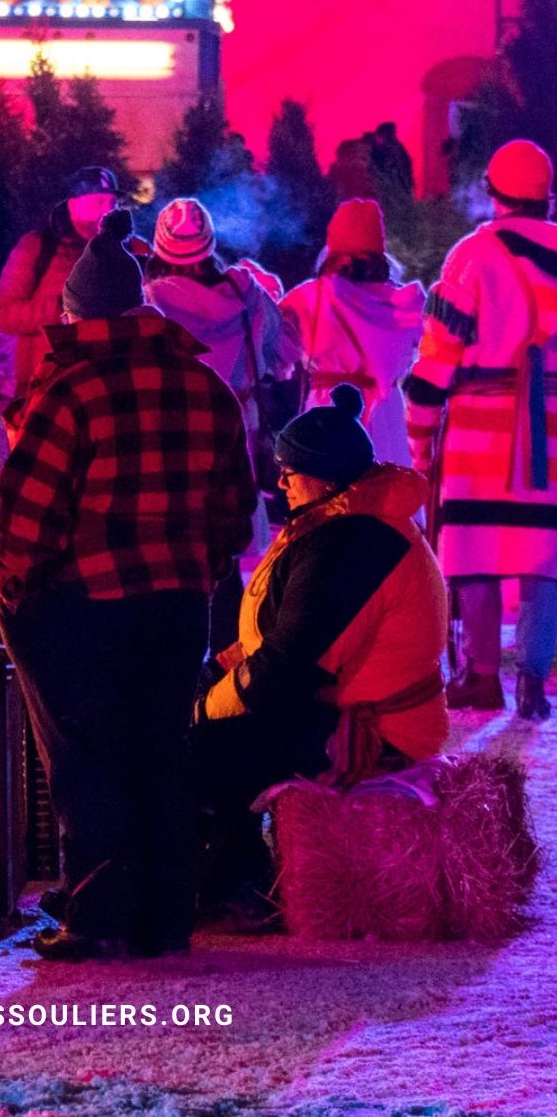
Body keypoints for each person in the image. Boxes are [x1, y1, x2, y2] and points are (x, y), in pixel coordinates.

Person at [0, 207, 257, 960]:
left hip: (82, 607)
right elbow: (234, 508)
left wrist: (15, 585)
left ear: (74, 312)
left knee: (88, 757)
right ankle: (167, 916)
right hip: (177, 605)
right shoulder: (205, 388)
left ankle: (100, 915)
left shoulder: (69, 389)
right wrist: (199, 573)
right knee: (163, 751)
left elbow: (29, 511)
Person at [194, 384, 448, 925]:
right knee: (209, 728)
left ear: (327, 478)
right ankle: (219, 878)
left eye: (292, 469)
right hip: (338, 703)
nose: (279, 479)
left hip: (372, 728)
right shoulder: (337, 523)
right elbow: (276, 634)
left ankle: (237, 886)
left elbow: (290, 665)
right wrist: (211, 674)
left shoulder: (353, 542)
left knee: (206, 750)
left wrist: (203, 708)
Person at [405, 139, 557, 720]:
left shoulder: (472, 256)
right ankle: (535, 680)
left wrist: (420, 439)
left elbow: (436, 361)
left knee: (477, 552)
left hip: (480, 436)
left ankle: (482, 675)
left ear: (493, 193)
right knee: (546, 557)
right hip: (551, 435)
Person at [145, 197, 302, 646]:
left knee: (175, 542)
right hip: (238, 426)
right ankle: (224, 663)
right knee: (227, 543)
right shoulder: (247, 294)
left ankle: (177, 660)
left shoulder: (151, 301)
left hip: (173, 430)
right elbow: (283, 356)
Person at [282, 199, 425, 467]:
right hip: (385, 415)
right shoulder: (406, 304)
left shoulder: (310, 298)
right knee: (386, 495)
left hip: (327, 410)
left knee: (328, 491)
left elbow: (276, 349)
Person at [0, 166, 150, 402]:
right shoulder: (37, 248)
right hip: (49, 386)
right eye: (97, 202)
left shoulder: (136, 250)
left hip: (116, 385)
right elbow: (5, 313)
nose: (107, 210)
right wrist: (63, 307)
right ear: (73, 205)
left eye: (111, 202)